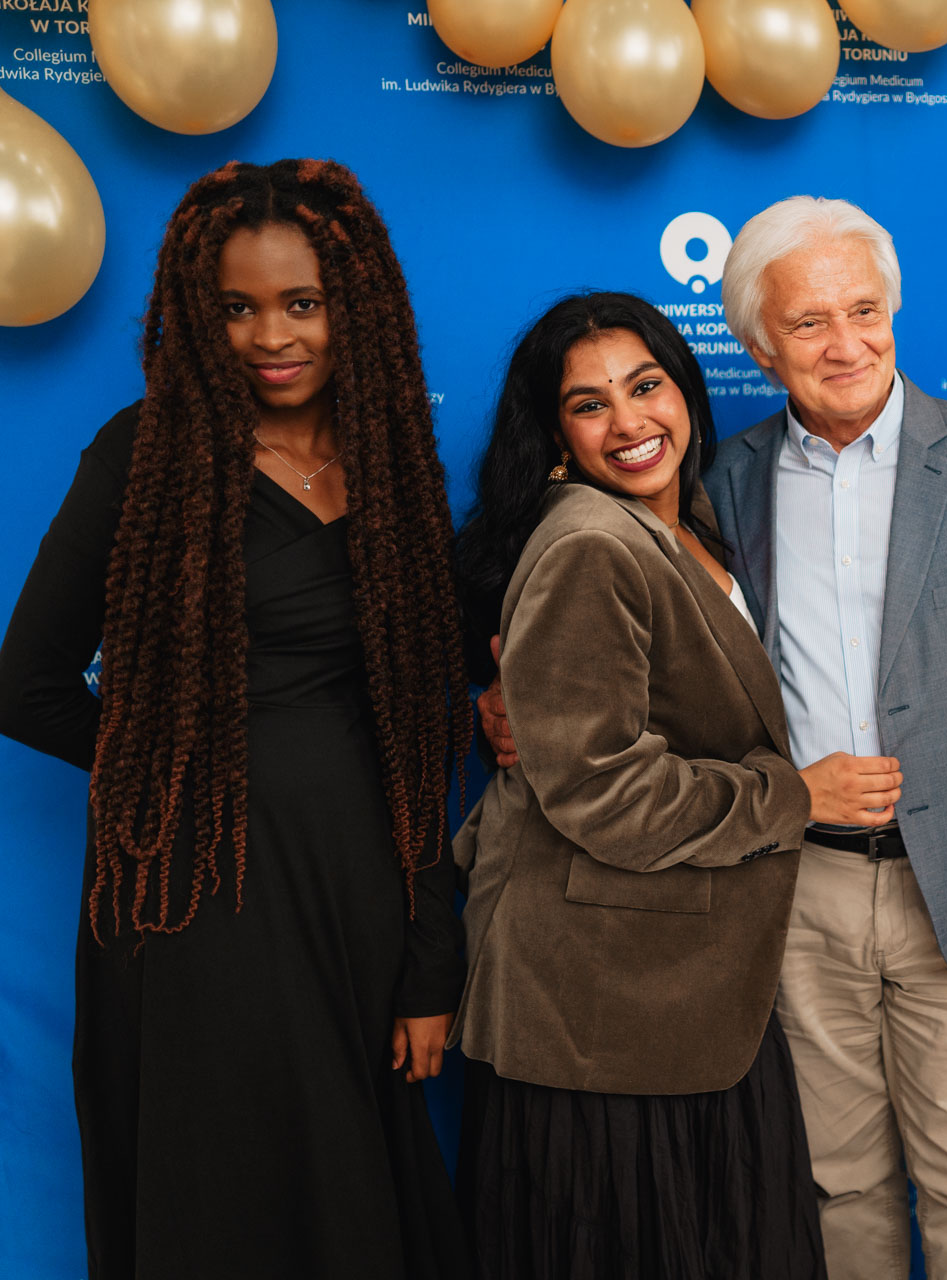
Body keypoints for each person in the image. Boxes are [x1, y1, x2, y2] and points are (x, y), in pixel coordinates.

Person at [0, 160, 471, 1279]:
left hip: (354, 892)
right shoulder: (146, 454)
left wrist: (429, 962)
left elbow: (416, 736)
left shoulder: (392, 460)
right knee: (219, 1187)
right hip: (193, 901)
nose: (272, 336)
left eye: (302, 302)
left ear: (353, 305)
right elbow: (26, 682)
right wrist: (178, 771)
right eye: (237, 307)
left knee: (351, 1187)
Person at [450, 292, 887, 1280]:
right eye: (589, 404)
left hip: (679, 990)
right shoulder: (590, 542)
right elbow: (604, 789)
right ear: (554, 437)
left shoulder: (688, 519)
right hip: (604, 1012)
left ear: (684, 390)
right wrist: (796, 798)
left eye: (645, 385)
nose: (629, 421)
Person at [704, 195, 947, 1280]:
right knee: (838, 1184)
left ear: (894, 310)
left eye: (864, 310)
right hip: (799, 887)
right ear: (760, 346)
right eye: (809, 322)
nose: (846, 344)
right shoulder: (724, 479)